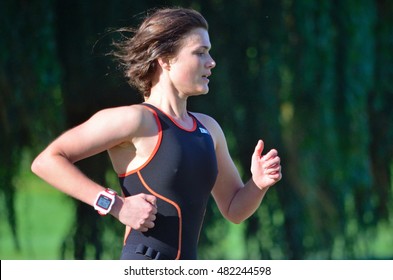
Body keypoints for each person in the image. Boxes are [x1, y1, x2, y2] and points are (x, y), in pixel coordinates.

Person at [31, 7, 282, 260]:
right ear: (165, 58)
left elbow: (234, 209)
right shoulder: (135, 119)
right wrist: (116, 205)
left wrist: (258, 184)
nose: (211, 62)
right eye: (200, 53)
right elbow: (47, 161)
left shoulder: (209, 129)